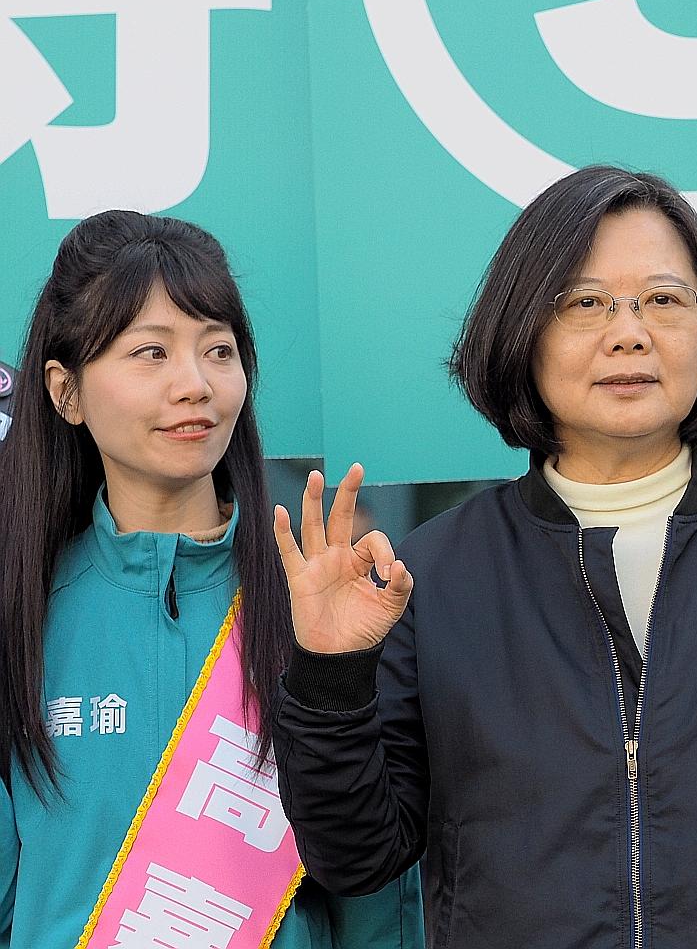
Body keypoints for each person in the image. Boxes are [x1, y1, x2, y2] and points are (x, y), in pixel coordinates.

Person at [271, 166, 697, 948]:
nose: (628, 332)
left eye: (663, 300)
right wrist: (331, 676)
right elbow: (355, 856)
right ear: (521, 330)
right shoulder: (438, 573)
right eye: (584, 303)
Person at [0, 211, 422, 948]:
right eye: (151, 352)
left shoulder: (319, 607)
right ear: (65, 392)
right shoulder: (21, 613)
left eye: (217, 350)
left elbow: (373, 896)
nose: (194, 385)